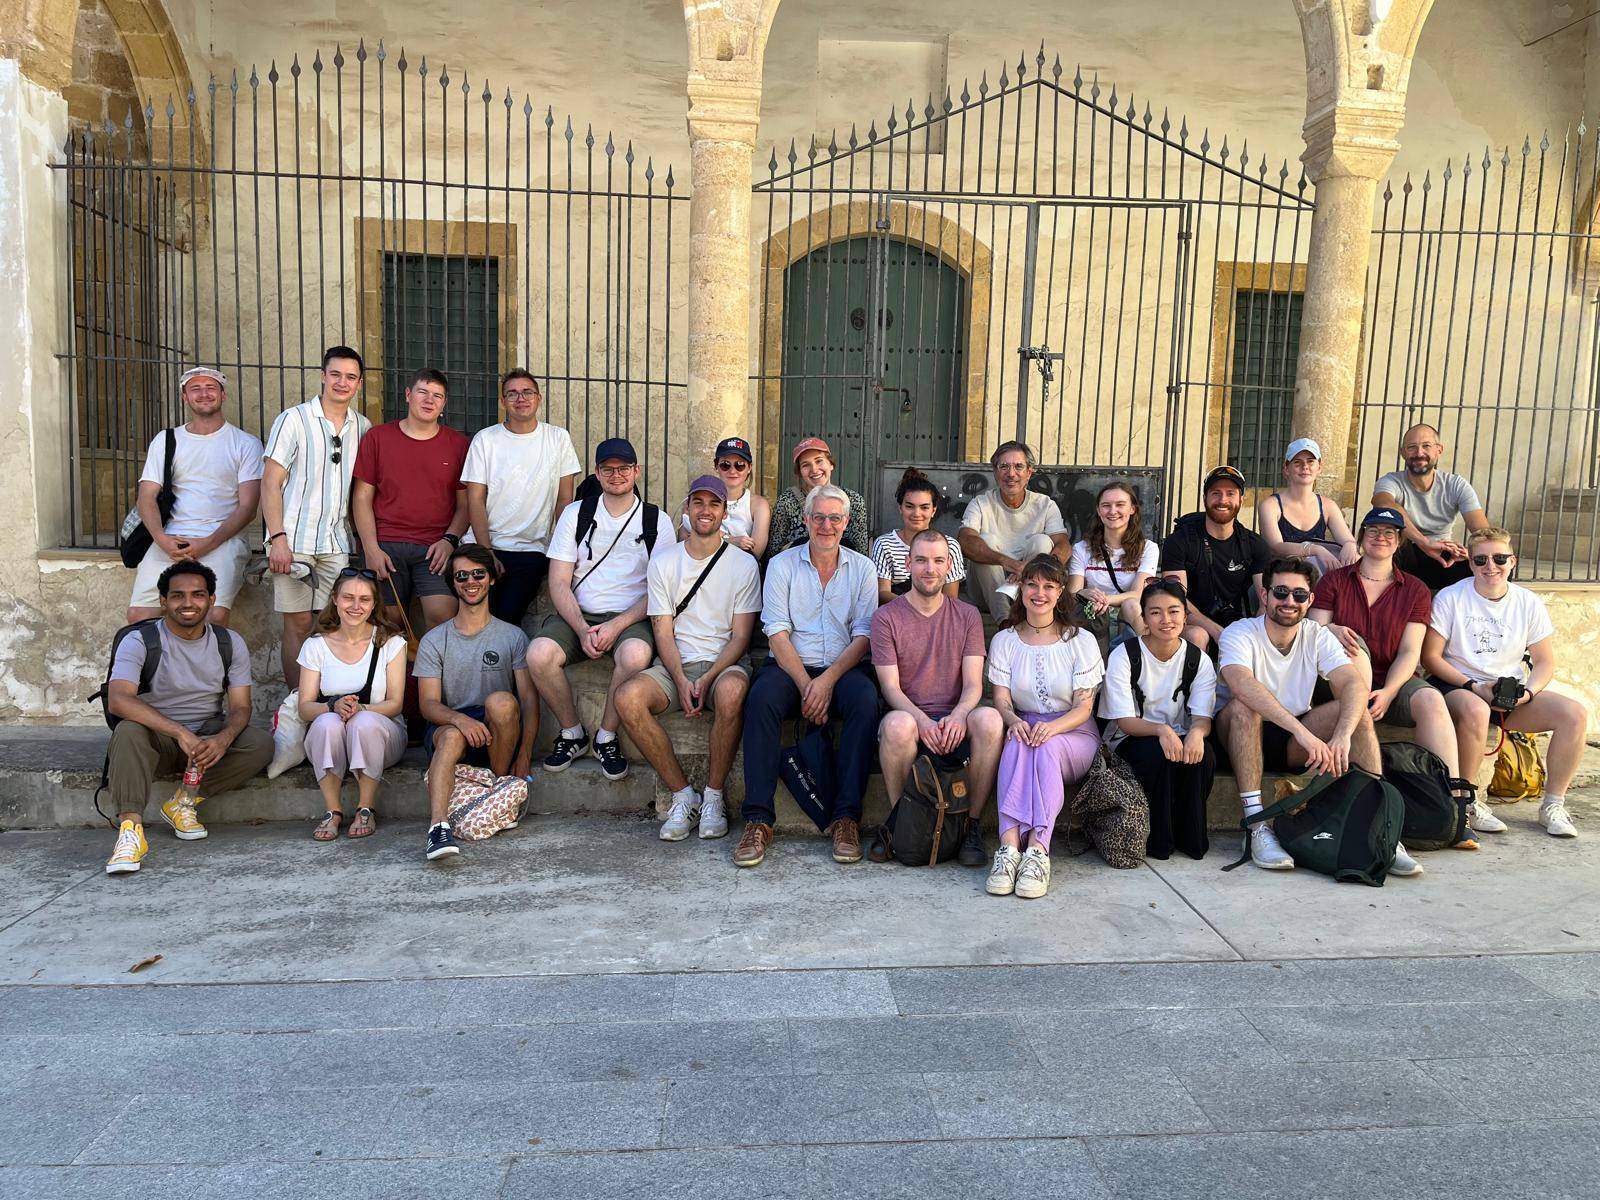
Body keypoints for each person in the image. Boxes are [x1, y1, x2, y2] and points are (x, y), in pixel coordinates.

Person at [1213, 558, 1421, 875]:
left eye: (1299, 595)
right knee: (1245, 708)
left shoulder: (1317, 634)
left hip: (1293, 742)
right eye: (1281, 592)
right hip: (1238, 736)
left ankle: (1382, 828)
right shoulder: (1240, 632)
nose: (1289, 601)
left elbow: (1351, 683)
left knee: (1357, 713)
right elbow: (1242, 683)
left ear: (1310, 600)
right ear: (1265, 595)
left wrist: (1342, 734)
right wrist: (1303, 733)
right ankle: (1256, 827)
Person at [1310, 506, 1478, 843]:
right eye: (1373, 530)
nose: (1380, 537)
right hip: (1339, 682)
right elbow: (1313, 627)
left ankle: (1453, 805)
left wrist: (1389, 692)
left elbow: (1410, 652)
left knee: (1431, 698)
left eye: (1389, 533)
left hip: (1391, 680)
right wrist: (1335, 629)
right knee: (1351, 644)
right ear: (1361, 538)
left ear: (1399, 541)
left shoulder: (1414, 589)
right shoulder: (1336, 580)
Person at [735, 484, 879, 869]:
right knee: (761, 700)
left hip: (843, 667)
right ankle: (758, 819)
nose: (827, 525)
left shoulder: (863, 569)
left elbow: (865, 636)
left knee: (865, 702)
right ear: (806, 519)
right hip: (790, 666)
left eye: (835, 518)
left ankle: (846, 817)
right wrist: (806, 685)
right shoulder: (782, 565)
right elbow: (776, 633)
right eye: (819, 517)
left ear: (846, 522)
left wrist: (827, 681)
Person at [616, 475, 762, 842]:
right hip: (675, 663)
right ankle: (684, 795)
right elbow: (662, 630)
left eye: (714, 504)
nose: (706, 510)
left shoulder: (743, 565)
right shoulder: (664, 562)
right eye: (698, 503)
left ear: (725, 512)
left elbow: (742, 637)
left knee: (730, 694)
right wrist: (680, 679)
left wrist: (708, 678)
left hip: (724, 664)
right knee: (626, 698)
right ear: (687, 509)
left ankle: (713, 796)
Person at [103, 560, 273, 875]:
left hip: (205, 743)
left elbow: (241, 707)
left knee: (260, 744)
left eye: (197, 595)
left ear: (211, 599)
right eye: (178, 595)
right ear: (163, 601)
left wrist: (223, 739)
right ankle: (130, 832)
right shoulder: (140, 640)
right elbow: (119, 699)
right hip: (156, 740)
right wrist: (180, 733)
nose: (188, 603)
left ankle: (184, 801)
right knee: (127, 731)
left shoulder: (229, 642)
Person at [1422, 527, 1589, 839]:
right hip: (1459, 685)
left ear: (1512, 561)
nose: (1491, 566)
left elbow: (1544, 661)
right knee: (1475, 709)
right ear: (1470, 563)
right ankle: (1468, 802)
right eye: (1481, 559)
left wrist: (1528, 692)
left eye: (1499, 558)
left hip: (1509, 691)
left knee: (1574, 713)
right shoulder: (1451, 598)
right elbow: (1431, 658)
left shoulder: (1527, 601)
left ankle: (1553, 804)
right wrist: (1473, 686)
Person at [527, 437, 675, 781]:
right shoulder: (575, 514)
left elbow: (660, 591)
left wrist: (616, 626)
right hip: (580, 614)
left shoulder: (658, 521)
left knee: (636, 656)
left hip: (631, 616)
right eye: (608, 469)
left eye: (624, 468)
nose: (616, 475)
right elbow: (559, 581)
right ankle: (572, 732)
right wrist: (581, 629)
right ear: (597, 472)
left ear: (637, 471)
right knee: (538, 654)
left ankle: (606, 736)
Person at [871, 528, 1003, 867]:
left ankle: (971, 826)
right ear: (907, 564)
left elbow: (974, 685)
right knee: (898, 726)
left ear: (949, 567)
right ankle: (903, 824)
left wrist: (959, 715)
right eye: (921, 561)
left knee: (989, 720)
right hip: (911, 715)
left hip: (955, 715)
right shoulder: (887, 617)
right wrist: (921, 720)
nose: (930, 569)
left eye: (938, 561)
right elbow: (891, 688)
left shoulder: (968, 615)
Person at [984, 554, 1105, 899]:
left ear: (1061, 591)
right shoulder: (1005, 640)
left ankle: (1038, 851)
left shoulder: (1078, 641)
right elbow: (1002, 700)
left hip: (1072, 733)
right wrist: (1013, 722)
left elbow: (1084, 708)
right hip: (1025, 724)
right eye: (1032, 584)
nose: (1040, 592)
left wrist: (1051, 729)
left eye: (1049, 586)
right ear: (1021, 588)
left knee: (1044, 745)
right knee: (1018, 742)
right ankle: (1008, 850)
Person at [414, 544, 538, 862]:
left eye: (478, 574)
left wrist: (524, 753)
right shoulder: (434, 640)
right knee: (453, 735)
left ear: (491, 579)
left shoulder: (512, 637)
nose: (471, 581)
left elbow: (528, 700)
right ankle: (438, 828)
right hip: (450, 729)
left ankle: (495, 789)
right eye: (462, 576)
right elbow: (428, 704)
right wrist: (459, 720)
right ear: (453, 584)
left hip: (497, 734)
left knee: (501, 701)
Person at [262, 345, 372, 690]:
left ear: (359, 383)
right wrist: (277, 539)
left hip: (336, 542)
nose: (342, 382)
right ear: (323, 376)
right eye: (336, 374)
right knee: (296, 625)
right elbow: (270, 481)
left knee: (332, 625)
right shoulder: (293, 419)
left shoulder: (364, 427)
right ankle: (297, 705)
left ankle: (324, 700)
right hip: (293, 541)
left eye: (350, 377)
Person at [127, 367, 263, 629]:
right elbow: (146, 497)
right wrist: (162, 539)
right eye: (195, 388)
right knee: (139, 616)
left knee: (213, 617)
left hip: (222, 539)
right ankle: (162, 669)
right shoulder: (166, 441)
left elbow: (248, 508)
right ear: (185, 397)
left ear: (223, 395)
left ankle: (204, 670)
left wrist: (208, 543)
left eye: (211, 388)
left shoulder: (245, 443)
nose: (204, 394)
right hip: (171, 539)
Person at [1099, 579, 1218, 861]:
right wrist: (1162, 730)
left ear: (1185, 616)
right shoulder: (1125, 655)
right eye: (1155, 612)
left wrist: (1197, 734)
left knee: (1205, 756)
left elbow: (1203, 717)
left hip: (1175, 736)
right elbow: (1125, 721)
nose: (1166, 620)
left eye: (1174, 611)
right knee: (1157, 753)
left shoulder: (1197, 659)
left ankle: (1191, 838)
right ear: (1143, 618)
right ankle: (1157, 841)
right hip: (1130, 738)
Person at [350, 367, 471, 632]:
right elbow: (361, 498)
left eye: (437, 396)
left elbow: (465, 505)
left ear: (444, 403)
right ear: (408, 395)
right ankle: (396, 675)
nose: (429, 400)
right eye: (423, 392)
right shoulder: (378, 438)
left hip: (434, 547)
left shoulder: (458, 445)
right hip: (386, 545)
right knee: (388, 623)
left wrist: (449, 541)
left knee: (443, 616)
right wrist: (370, 549)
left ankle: (430, 674)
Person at [296, 568, 409, 842]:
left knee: (363, 722)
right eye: (348, 598)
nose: (356, 606)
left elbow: (395, 704)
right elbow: (304, 708)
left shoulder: (391, 643)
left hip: (382, 735)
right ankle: (332, 811)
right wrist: (332, 707)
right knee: (325, 723)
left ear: (373, 604)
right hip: (331, 738)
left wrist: (362, 709)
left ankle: (365, 807)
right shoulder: (316, 645)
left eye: (364, 599)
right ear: (335, 599)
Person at [461, 369, 582, 626]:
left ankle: (498, 664)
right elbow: (475, 500)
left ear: (538, 398)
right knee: (469, 615)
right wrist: (486, 552)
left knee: (504, 617)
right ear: (503, 401)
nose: (520, 398)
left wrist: (563, 551)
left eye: (527, 392)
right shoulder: (485, 440)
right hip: (482, 544)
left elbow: (564, 501)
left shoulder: (558, 438)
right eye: (512, 393)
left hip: (530, 548)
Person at [1159, 465, 1270, 652]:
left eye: (1230, 494)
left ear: (1241, 500)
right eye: (1216, 493)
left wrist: (1255, 633)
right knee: (1198, 635)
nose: (1223, 500)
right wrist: (1218, 633)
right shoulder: (1180, 541)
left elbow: (1265, 600)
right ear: (1205, 499)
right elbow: (1175, 598)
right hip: (1187, 622)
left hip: (1235, 622)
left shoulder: (1254, 544)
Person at [958, 441, 1071, 623]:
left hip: (1029, 591)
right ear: (995, 472)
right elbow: (965, 541)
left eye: (1018, 466)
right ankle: (1005, 622)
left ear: (1029, 472)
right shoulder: (980, 503)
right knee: (985, 540)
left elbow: (1063, 545)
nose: (1011, 474)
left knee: (1042, 542)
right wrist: (1010, 564)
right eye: (1004, 467)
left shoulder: (1045, 504)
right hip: (986, 592)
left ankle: (1025, 610)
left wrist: (1033, 569)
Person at [1372, 423, 1488, 591]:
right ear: (1402, 452)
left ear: (1438, 450)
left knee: (1494, 564)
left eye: (1426, 446)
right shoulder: (1390, 481)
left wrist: (1472, 554)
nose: (1419, 453)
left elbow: (1482, 533)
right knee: (1394, 548)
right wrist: (1424, 542)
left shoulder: (1456, 485)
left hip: (1442, 553)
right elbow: (1383, 505)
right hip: (1404, 552)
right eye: (1412, 447)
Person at [1066, 480, 1159, 638]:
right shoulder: (1082, 548)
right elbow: (1072, 592)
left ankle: (1148, 651)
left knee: (1130, 604)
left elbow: (1137, 594)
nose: (1113, 511)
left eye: (1120, 504)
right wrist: (1084, 593)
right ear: (1099, 510)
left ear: (1132, 509)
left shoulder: (1148, 548)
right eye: (1106, 505)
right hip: (1094, 615)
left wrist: (1105, 599)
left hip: (1129, 617)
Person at [1258, 438, 1359, 574]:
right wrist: (1316, 550)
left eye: (1310, 461)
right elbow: (1276, 547)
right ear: (1286, 469)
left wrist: (1350, 546)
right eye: (1297, 462)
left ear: (1319, 467)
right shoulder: (1270, 505)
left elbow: (1347, 539)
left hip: (1314, 575)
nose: (1305, 467)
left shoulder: (1328, 506)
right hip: (1280, 575)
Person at [870, 467, 967, 603]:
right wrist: (914, 607)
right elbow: (882, 593)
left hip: (938, 618)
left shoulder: (950, 546)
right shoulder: (884, 544)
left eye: (924, 507)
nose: (916, 513)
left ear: (933, 510)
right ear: (900, 508)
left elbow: (951, 598)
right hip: (897, 615)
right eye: (909, 506)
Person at [767, 437, 870, 556]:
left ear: (831, 464)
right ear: (799, 472)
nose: (814, 469)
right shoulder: (786, 502)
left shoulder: (854, 502)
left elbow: (861, 553)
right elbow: (773, 553)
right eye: (806, 465)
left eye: (819, 461)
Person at [675, 437, 771, 559]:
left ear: (749, 468)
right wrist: (730, 539)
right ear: (716, 466)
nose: (732, 471)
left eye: (740, 465)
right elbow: (684, 542)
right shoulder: (696, 499)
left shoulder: (759, 505)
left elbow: (754, 553)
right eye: (725, 465)